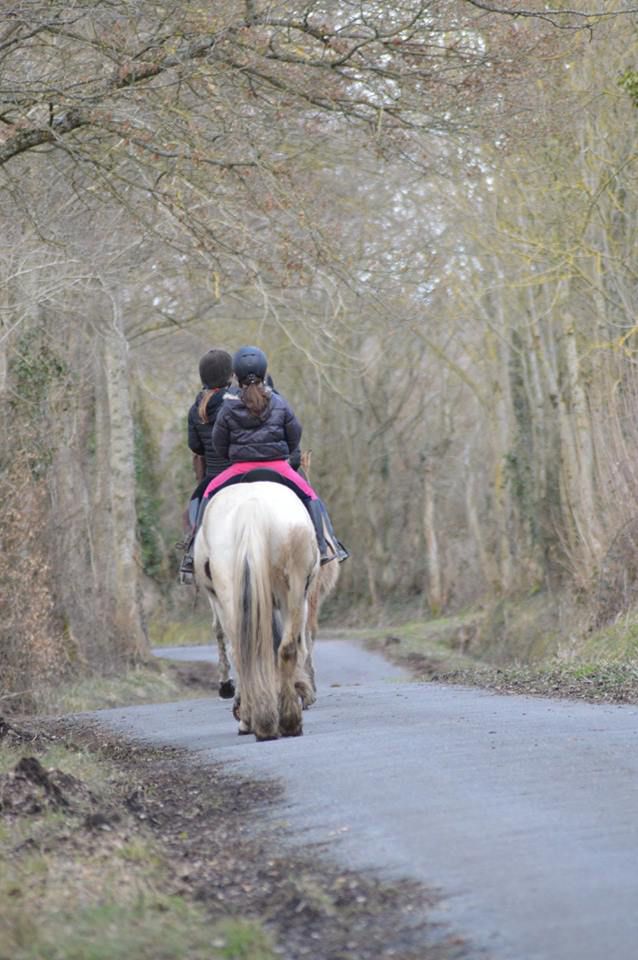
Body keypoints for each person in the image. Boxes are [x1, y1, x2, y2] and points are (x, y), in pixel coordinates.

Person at [204, 345, 348, 565]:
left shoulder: (228, 408)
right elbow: (295, 435)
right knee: (312, 497)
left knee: (207, 494)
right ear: (264, 372)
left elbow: (218, 443)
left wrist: (234, 457)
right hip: (278, 468)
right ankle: (326, 547)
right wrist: (285, 455)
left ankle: (192, 554)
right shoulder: (279, 402)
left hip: (240, 469)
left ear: (236, 376)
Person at [178, 348, 234, 584]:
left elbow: (195, 447)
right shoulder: (238, 401)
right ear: (230, 375)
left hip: (213, 477)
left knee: (196, 507)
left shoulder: (195, 409)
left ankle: (191, 554)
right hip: (241, 472)